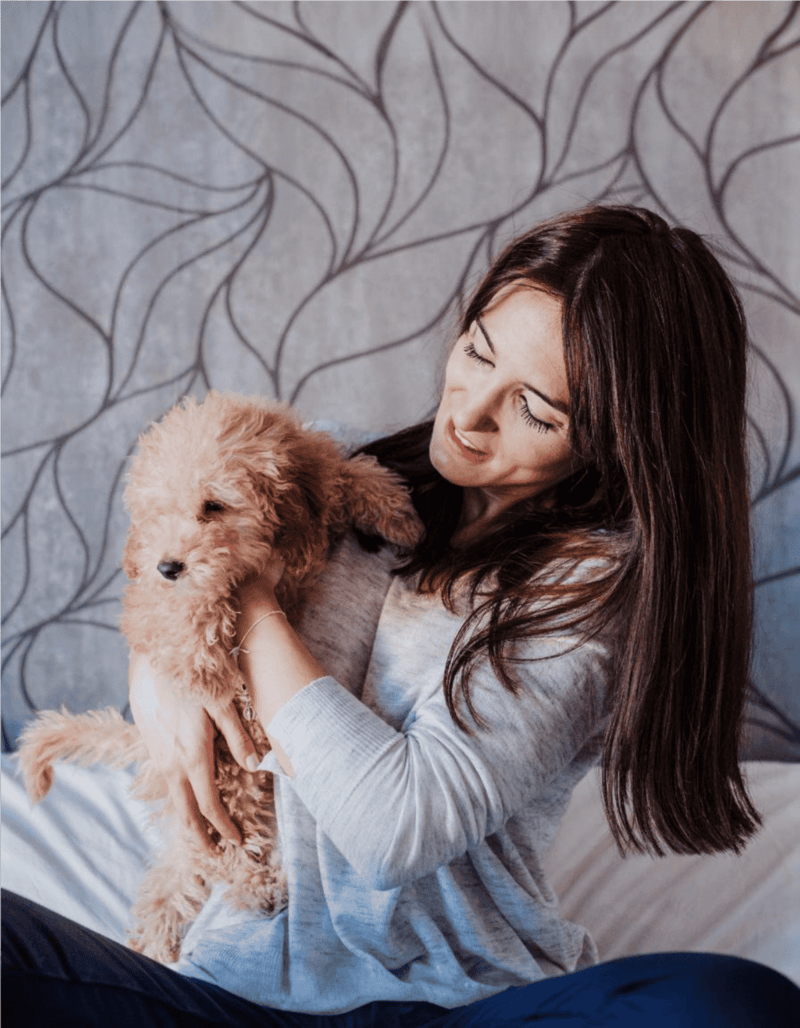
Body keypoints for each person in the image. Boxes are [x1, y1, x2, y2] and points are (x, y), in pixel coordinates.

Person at [4, 204, 800, 1027]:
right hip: (230, 996)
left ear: (623, 439)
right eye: (477, 351)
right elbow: (168, 552)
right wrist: (157, 681)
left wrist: (243, 597)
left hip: (456, 1004)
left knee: (729, 1005)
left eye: (535, 410)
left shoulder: (588, 596)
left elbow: (391, 831)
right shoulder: (330, 466)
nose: (468, 413)